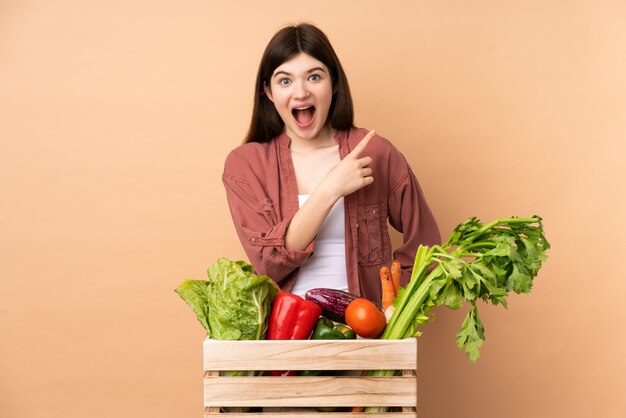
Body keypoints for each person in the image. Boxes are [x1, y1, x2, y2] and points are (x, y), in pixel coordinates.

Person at [222, 23, 440, 304]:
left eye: (314, 77)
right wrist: (330, 189)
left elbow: (428, 247)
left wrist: (392, 310)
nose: (300, 93)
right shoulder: (245, 166)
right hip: (284, 334)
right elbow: (269, 265)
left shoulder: (375, 152)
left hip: (365, 336)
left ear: (334, 83)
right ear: (269, 91)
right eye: (285, 81)